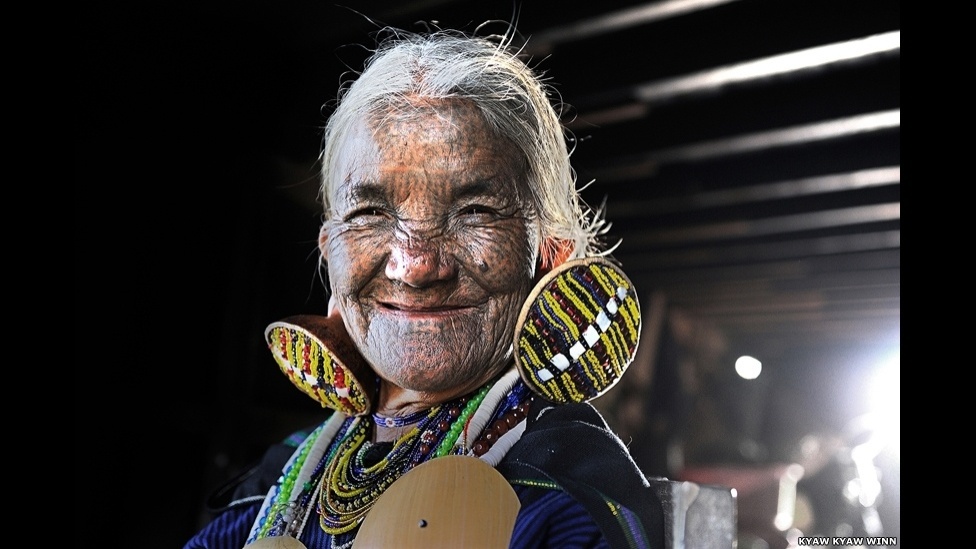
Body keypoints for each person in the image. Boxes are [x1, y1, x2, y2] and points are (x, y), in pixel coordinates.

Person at [185, 25, 665, 549]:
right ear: (330, 249)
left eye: (474, 211)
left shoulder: (564, 501)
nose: (415, 267)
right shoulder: (285, 478)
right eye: (370, 213)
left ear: (550, 254)